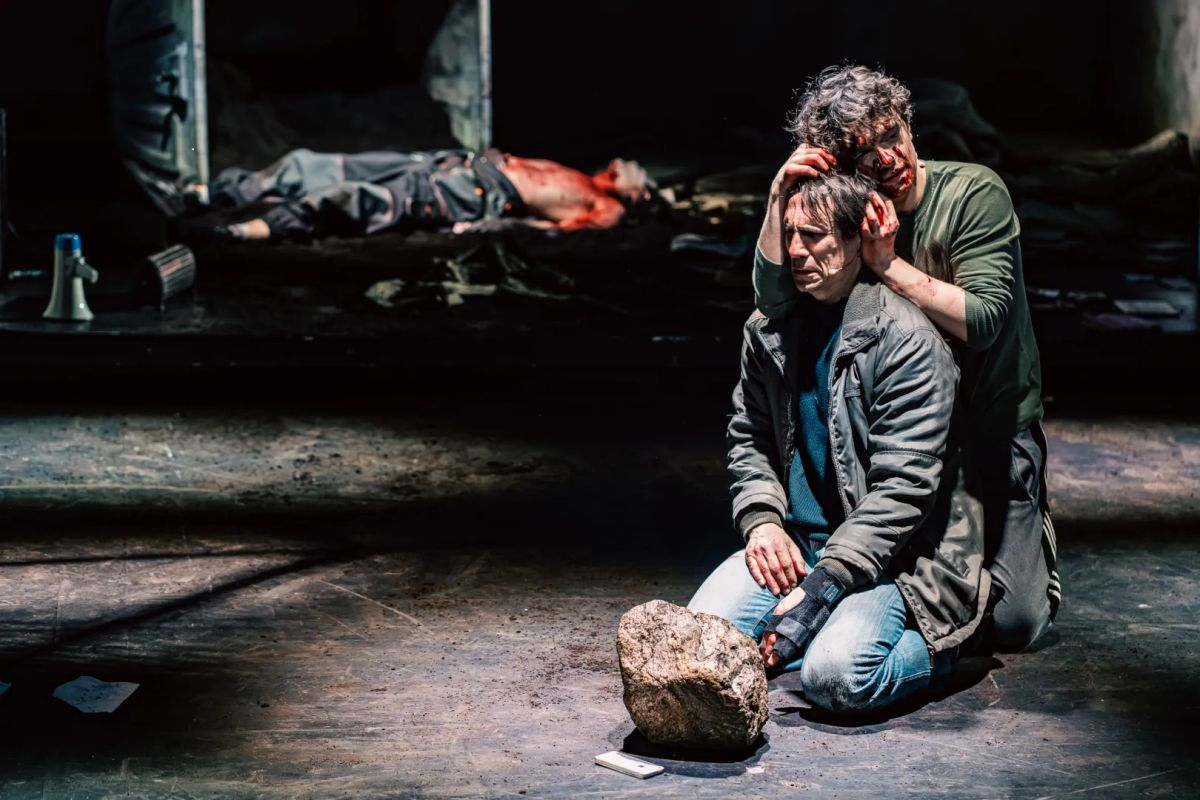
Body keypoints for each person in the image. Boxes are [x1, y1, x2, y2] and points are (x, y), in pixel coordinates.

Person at [752, 65, 1058, 651]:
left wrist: (888, 265)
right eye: (864, 154)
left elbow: (984, 321)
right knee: (902, 575)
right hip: (903, 434)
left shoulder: (972, 194)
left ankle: (1026, 532)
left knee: (1013, 624)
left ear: (908, 123)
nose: (888, 158)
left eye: (891, 134)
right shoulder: (846, 214)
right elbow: (774, 302)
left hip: (989, 432)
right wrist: (778, 195)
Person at [688, 172, 989, 714]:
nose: (796, 250)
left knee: (836, 679)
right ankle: (818, 626)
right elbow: (749, 436)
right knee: (696, 649)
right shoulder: (769, 331)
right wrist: (762, 522)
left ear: (855, 241)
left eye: (815, 235)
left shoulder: (906, 340)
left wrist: (824, 589)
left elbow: (903, 490)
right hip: (798, 548)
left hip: (897, 561)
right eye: (791, 233)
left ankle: (941, 647)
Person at [180, 148, 653, 242]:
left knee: (347, 200)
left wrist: (490, 227)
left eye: (644, 182)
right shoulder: (583, 175)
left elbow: (554, 233)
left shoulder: (608, 207)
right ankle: (207, 195)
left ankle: (239, 233)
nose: (634, 171)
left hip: (469, 194)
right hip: (450, 162)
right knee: (309, 163)